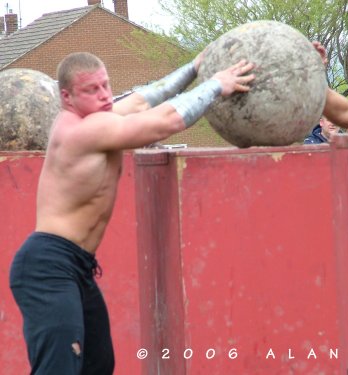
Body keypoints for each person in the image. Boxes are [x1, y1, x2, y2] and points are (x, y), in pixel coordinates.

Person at [9, 51, 255, 374]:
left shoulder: (97, 116)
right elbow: (168, 121)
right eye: (91, 90)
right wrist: (214, 86)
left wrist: (193, 68)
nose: (104, 95)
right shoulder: (83, 131)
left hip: (74, 266)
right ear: (66, 97)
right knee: (60, 367)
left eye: (106, 85)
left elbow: (143, 100)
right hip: (49, 267)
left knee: (98, 364)